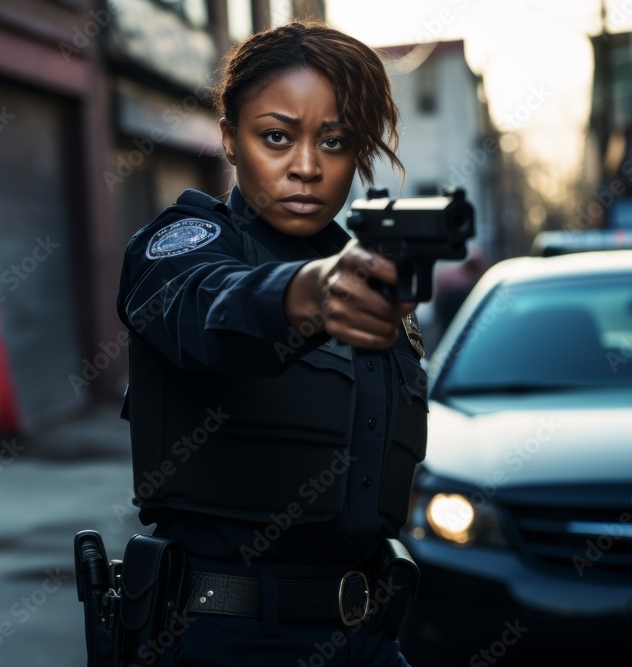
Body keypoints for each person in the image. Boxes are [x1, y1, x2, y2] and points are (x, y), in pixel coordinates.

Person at [116, 21, 427, 667]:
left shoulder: (369, 272)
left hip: (368, 638)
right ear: (230, 138)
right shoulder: (183, 245)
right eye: (277, 136)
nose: (307, 167)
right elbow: (213, 308)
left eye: (335, 141)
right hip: (225, 638)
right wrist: (311, 295)